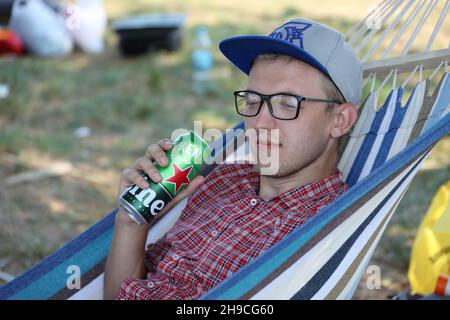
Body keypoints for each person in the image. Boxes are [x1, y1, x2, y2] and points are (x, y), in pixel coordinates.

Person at [104, 18, 362, 300]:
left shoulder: (321, 232)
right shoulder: (224, 178)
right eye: (253, 101)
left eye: (287, 104)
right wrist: (132, 221)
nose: (259, 123)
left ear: (340, 120)